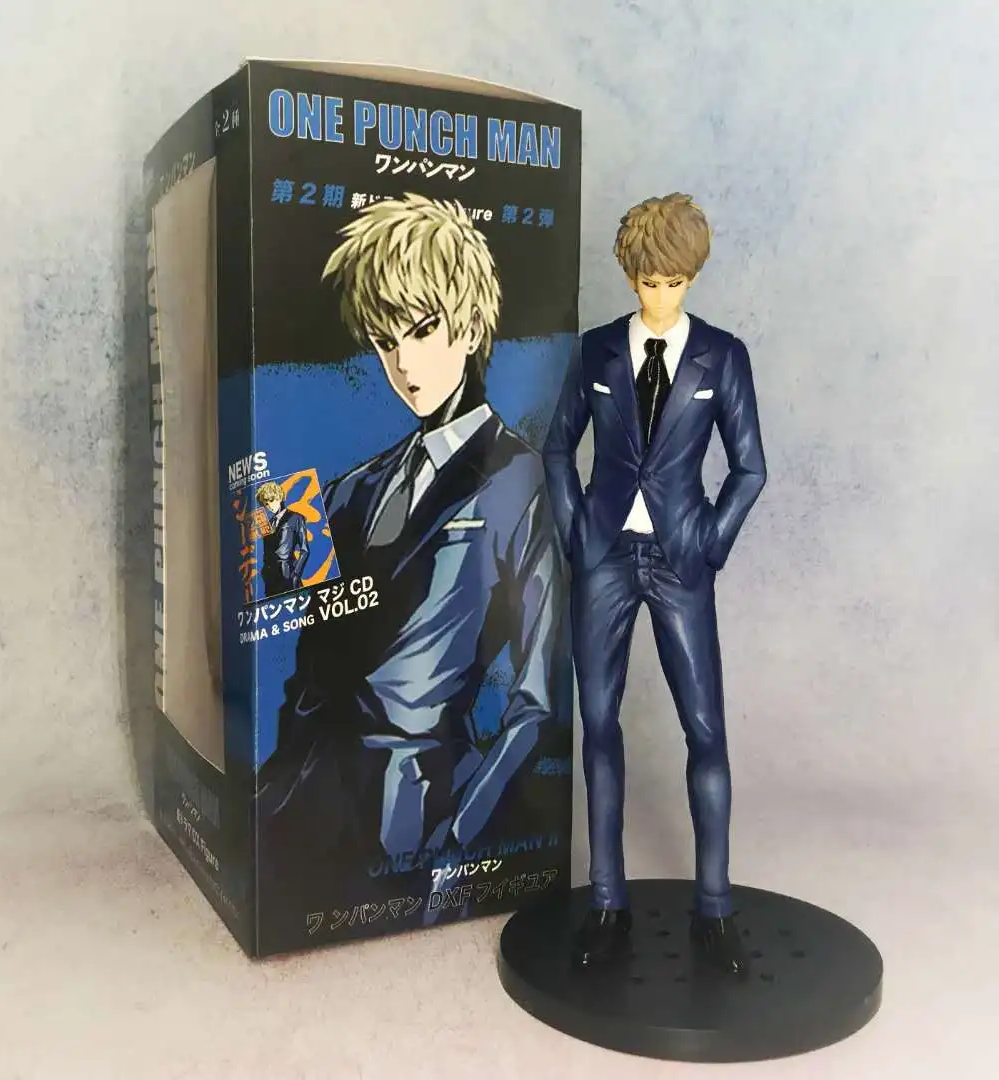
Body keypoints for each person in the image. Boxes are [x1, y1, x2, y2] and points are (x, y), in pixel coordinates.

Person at [255, 193, 568, 929]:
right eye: (384, 339)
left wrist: (460, 839)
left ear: (470, 324)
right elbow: (314, 654)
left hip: (418, 812)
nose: (403, 361)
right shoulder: (353, 488)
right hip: (301, 805)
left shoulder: (519, 479)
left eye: (423, 329)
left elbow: (539, 699)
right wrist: (276, 565)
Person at [543, 193, 767, 975]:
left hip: (680, 559)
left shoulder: (722, 356)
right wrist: (576, 535)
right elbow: (557, 447)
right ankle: (607, 901)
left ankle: (715, 907)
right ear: (630, 275)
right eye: (648, 282)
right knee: (598, 723)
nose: (660, 297)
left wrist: (709, 541)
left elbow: (749, 467)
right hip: (604, 555)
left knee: (705, 729)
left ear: (691, 278)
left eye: (673, 282)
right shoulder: (598, 351)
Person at [255, 481, 309, 595]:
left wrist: (296, 574)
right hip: (270, 578)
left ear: (279, 498)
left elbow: (305, 550)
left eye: (271, 501)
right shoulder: (268, 524)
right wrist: (264, 572)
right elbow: (267, 550)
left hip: (287, 574)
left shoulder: (296, 518)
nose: (269, 506)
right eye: (266, 504)